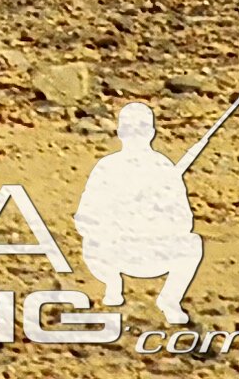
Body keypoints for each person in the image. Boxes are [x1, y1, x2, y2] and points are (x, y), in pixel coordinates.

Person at [74, 101, 205, 323]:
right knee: (92, 242)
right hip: (113, 251)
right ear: (120, 131)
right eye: (130, 127)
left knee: (192, 243)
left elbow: (184, 221)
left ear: (151, 132)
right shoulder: (107, 167)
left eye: (141, 127)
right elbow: (84, 217)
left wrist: (154, 215)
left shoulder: (163, 168)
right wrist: (115, 220)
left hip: (152, 249)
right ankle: (112, 284)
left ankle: (169, 299)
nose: (135, 133)